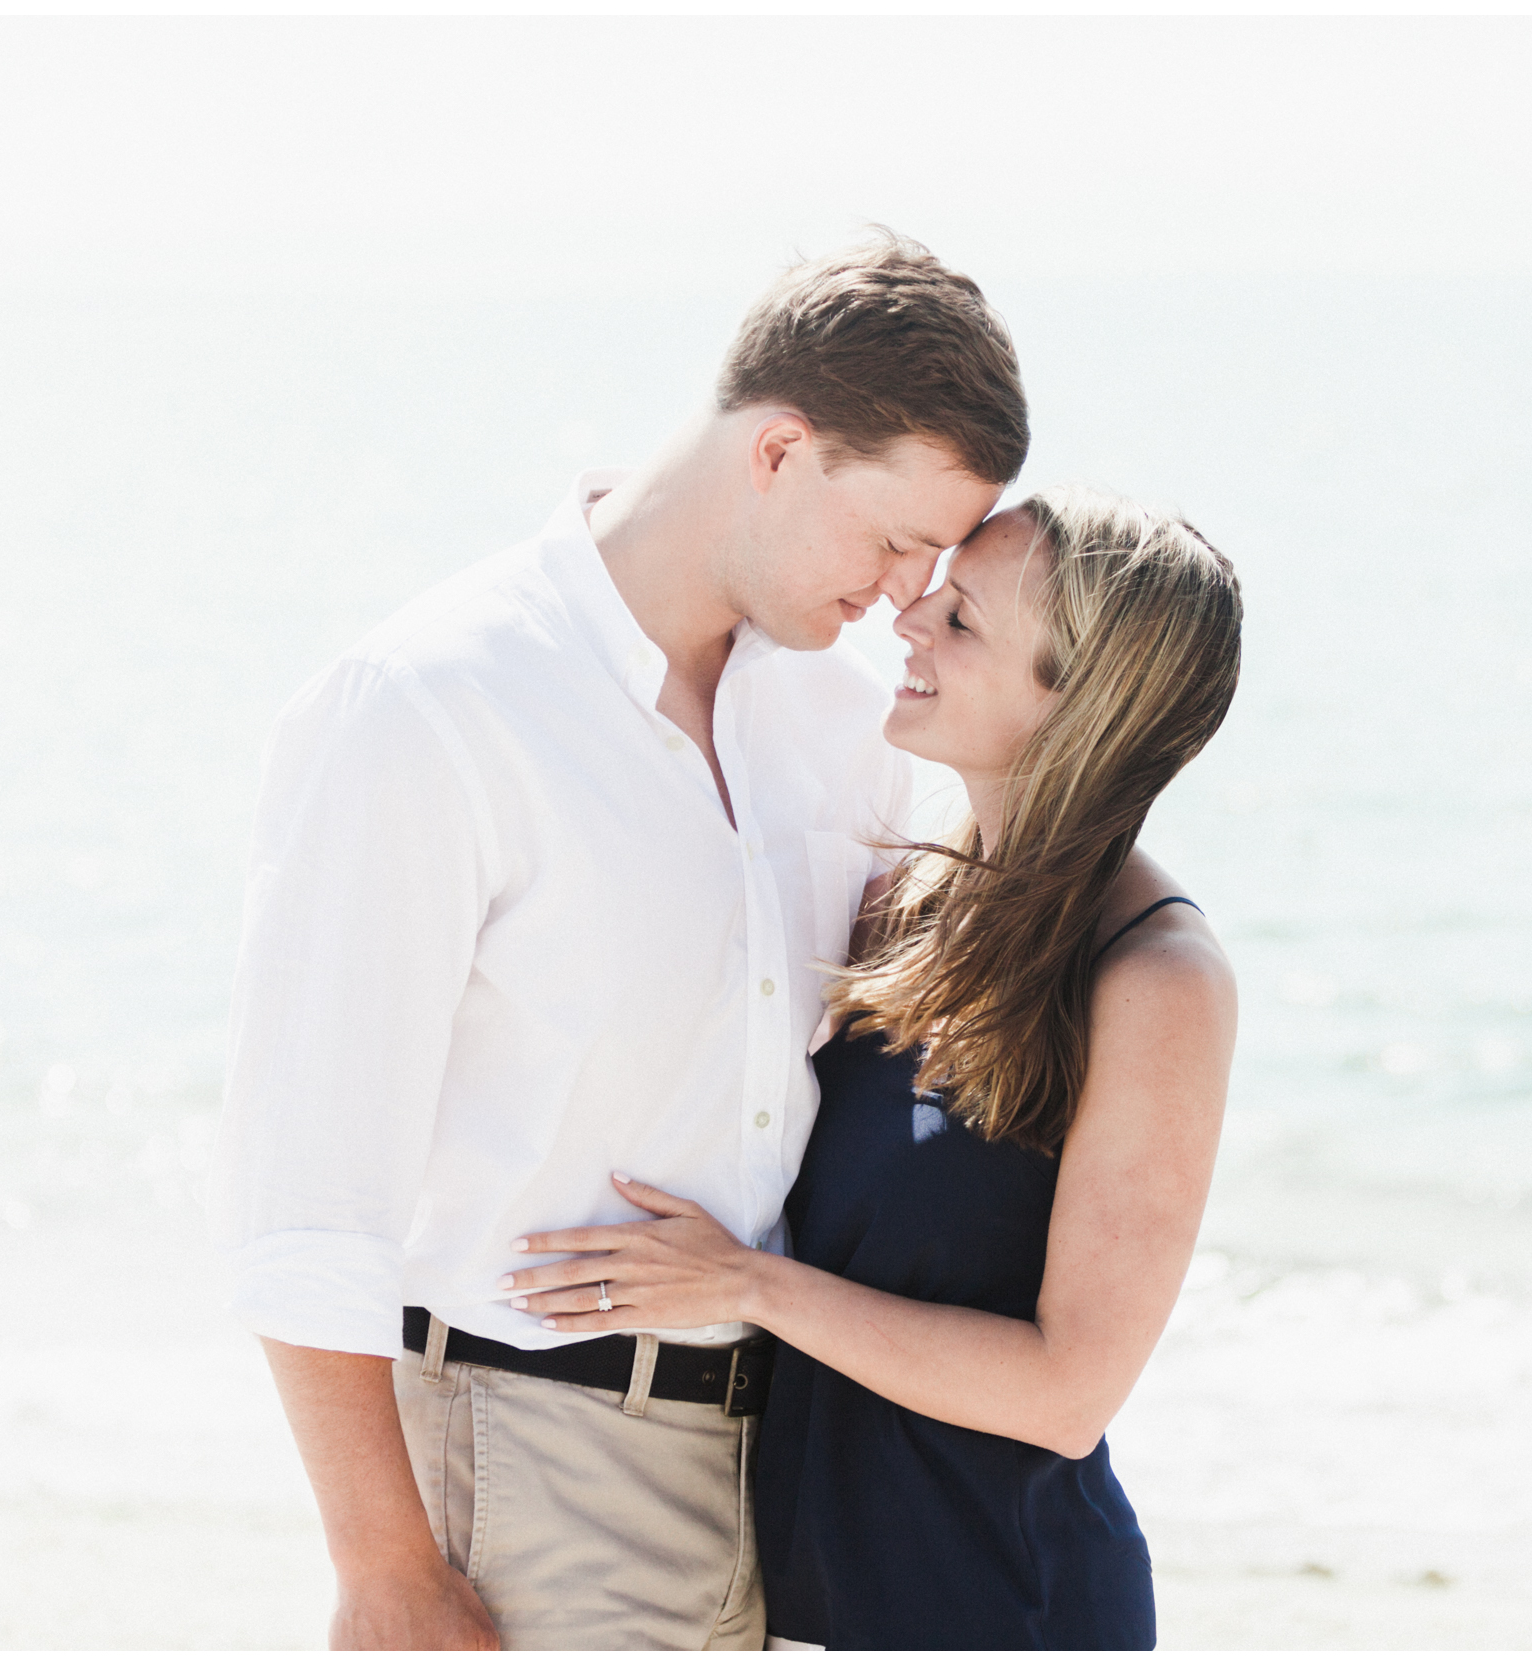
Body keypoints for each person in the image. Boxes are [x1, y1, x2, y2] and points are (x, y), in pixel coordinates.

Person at [208, 231, 1026, 1650]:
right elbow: (304, 1192)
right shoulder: (432, 704)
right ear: (779, 450)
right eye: (895, 540)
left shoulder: (840, 718)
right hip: (526, 1451)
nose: (905, 593)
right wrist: (386, 1569)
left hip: (775, 1468)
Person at [501, 487, 1243, 1649]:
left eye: (962, 622)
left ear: (1076, 701)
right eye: (932, 594)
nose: (907, 622)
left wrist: (746, 1285)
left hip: (999, 1609)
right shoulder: (905, 899)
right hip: (800, 1604)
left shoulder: (1154, 977)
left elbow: (1067, 1393)